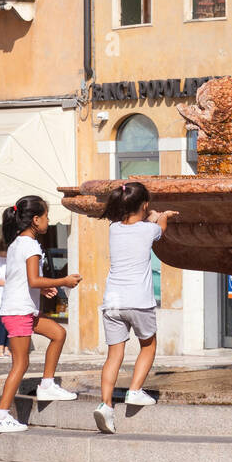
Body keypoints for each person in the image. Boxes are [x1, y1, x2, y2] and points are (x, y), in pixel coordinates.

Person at [0, 196, 82, 434]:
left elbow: (22, 279)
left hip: (22, 310)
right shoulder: (30, 245)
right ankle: (1, 415)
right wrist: (64, 281)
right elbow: (32, 279)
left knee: (58, 333)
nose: (49, 222)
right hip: (19, 311)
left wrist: (43, 286)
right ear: (35, 219)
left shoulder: (17, 243)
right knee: (20, 364)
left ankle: (48, 384)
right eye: (47, 217)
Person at [93, 181, 179, 433]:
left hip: (112, 303)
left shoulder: (114, 229)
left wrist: (150, 214)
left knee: (114, 355)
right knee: (148, 345)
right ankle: (135, 391)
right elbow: (159, 228)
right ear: (144, 205)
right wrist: (162, 216)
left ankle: (106, 405)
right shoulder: (147, 231)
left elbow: (146, 221)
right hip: (138, 302)